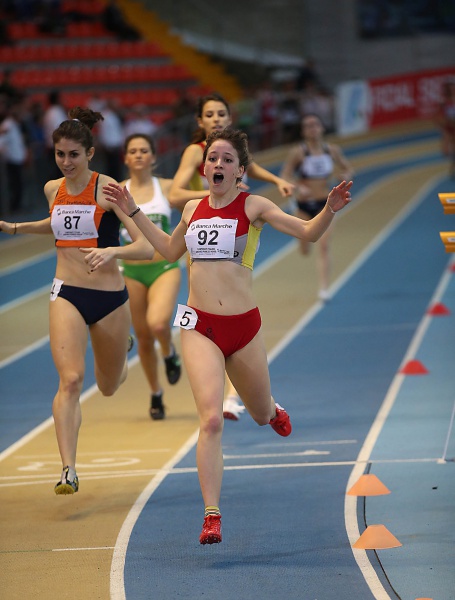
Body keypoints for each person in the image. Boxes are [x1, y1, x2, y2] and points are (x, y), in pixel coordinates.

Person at [103, 128, 352, 544]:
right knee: (212, 418)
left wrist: (328, 209)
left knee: (258, 413)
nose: (217, 164)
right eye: (212, 159)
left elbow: (308, 232)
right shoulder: (192, 209)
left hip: (243, 328)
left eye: (226, 159)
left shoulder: (254, 205)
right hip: (200, 326)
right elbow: (168, 251)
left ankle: (271, 409)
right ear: (204, 168)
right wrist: (133, 212)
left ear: (240, 170)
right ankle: (211, 515)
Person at [0, 107, 154, 495]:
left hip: (109, 299)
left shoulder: (109, 189)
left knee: (108, 386)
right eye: (59, 154)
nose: (66, 162)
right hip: (66, 291)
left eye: (73, 155)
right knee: (70, 380)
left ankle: (122, 352)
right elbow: (57, 224)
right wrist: (17, 227)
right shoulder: (52, 189)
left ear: (90, 153)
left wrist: (112, 252)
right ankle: (68, 468)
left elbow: (145, 247)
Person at [168, 92, 296, 421]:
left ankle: (240, 395)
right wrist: (214, 193)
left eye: (221, 114)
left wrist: (276, 179)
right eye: (209, 114)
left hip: (234, 230)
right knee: (208, 302)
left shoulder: (234, 150)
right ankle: (225, 396)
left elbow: (253, 167)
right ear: (200, 121)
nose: (216, 119)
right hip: (200, 233)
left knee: (232, 295)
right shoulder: (196, 153)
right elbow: (175, 194)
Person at [119, 133, 182, 420]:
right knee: (143, 339)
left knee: (158, 324)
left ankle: (168, 353)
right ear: (126, 158)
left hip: (163, 268)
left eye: (144, 150)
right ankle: (156, 393)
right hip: (131, 272)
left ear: (154, 156)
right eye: (133, 151)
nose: (139, 155)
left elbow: (198, 199)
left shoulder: (166, 187)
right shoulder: (117, 191)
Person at [280, 113, 354, 301]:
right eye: (308, 126)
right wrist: (298, 187)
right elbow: (285, 175)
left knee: (324, 245)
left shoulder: (332, 150)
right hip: (303, 205)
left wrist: (345, 175)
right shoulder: (298, 152)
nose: (312, 128)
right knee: (305, 249)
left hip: (325, 204)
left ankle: (324, 288)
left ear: (321, 128)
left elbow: (348, 168)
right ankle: (302, 244)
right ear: (303, 131)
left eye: (315, 124)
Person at [435, 78, 455, 178]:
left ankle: (453, 167)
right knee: (447, 151)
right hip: (449, 128)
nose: (453, 89)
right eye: (450, 88)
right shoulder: (444, 102)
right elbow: (438, 116)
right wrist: (442, 126)